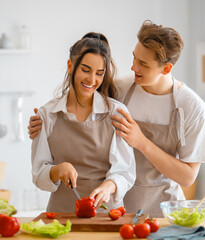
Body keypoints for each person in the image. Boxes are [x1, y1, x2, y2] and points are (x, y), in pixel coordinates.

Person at [29, 21, 205, 217]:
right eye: (134, 57)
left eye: (143, 64)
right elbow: (82, 98)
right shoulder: (120, 88)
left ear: (166, 69)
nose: (133, 67)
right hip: (117, 208)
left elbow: (187, 178)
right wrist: (40, 123)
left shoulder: (193, 108)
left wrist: (141, 142)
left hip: (163, 207)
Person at [31, 32, 136, 213]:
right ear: (70, 66)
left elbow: (125, 172)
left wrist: (109, 186)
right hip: (61, 213)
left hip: (106, 212)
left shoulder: (116, 113)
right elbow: (38, 175)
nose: (91, 79)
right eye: (85, 70)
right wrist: (57, 170)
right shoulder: (47, 114)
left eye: (99, 73)